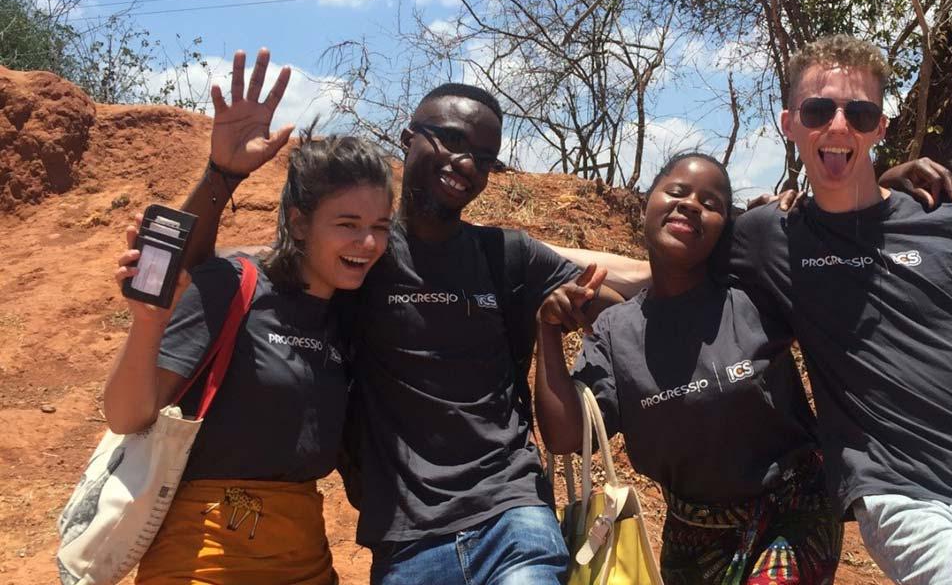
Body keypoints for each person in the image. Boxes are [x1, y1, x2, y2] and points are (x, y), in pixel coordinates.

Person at [573, 34, 952, 584]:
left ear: (880, 127)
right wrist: (516, 251)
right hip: (896, 492)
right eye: (818, 111)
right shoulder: (768, 237)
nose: (838, 126)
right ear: (790, 123)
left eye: (858, 113)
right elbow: (661, 274)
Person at [176, 49, 620, 585]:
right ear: (408, 140)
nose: (465, 164)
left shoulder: (507, 256)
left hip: (513, 518)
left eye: (483, 157)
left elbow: (606, 304)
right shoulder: (355, 258)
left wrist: (570, 312)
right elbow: (195, 276)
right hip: (404, 539)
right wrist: (220, 175)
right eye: (451, 140)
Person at [105, 112, 394, 584]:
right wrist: (148, 323)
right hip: (203, 556)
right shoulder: (234, 284)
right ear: (299, 224)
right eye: (347, 223)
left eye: (380, 226)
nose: (367, 242)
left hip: (305, 560)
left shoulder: (351, 315)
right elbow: (126, 415)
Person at [536, 152, 842, 585]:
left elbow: (849, 261)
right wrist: (547, 332)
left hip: (795, 512)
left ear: (725, 229)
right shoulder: (614, 333)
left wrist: (891, 182)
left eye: (712, 203)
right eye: (676, 192)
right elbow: (566, 436)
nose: (691, 204)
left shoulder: (754, 298)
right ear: (647, 205)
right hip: (692, 539)